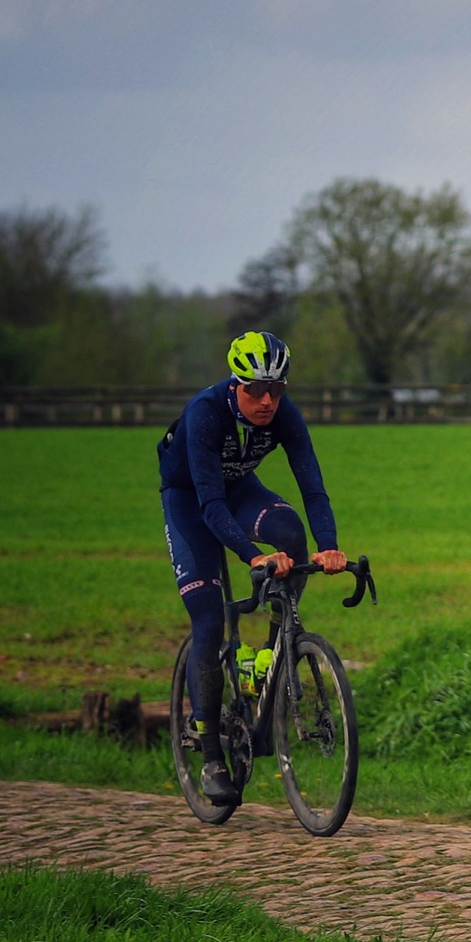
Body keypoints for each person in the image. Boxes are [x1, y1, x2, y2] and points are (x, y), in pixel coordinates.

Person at [159, 331, 348, 805]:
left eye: (277, 390)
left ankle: (272, 653)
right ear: (237, 383)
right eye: (257, 391)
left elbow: (312, 486)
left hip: (241, 490)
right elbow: (209, 503)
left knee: (290, 533)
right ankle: (209, 757)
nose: (267, 401)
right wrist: (252, 555)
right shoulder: (205, 412)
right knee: (209, 620)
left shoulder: (284, 413)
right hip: (193, 501)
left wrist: (329, 546)